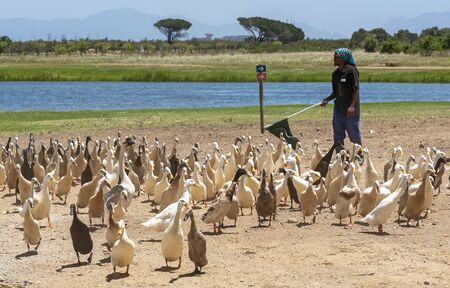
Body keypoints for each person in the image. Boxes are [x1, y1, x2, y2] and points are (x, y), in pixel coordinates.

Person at [321, 48, 362, 161]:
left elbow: (356, 89)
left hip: (351, 110)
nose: (334, 58)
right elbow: (335, 92)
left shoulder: (351, 71)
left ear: (344, 58)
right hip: (338, 109)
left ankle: (360, 154)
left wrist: (352, 106)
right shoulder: (335, 74)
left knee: (354, 133)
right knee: (338, 135)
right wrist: (327, 99)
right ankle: (341, 156)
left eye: (337, 56)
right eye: (334, 56)